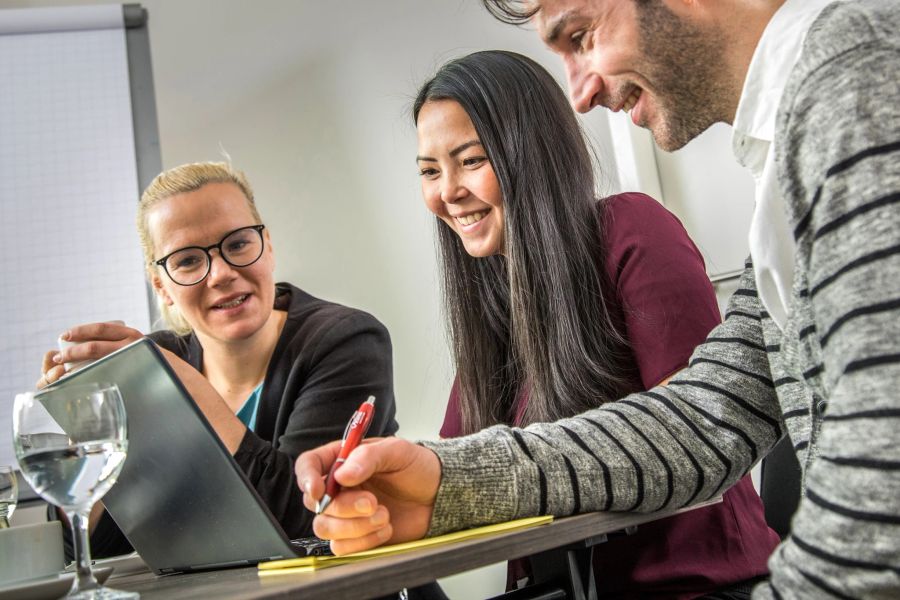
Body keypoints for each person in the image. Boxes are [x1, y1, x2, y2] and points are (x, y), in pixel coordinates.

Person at [296, 0, 900, 598]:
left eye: (582, 36)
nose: (580, 95)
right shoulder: (786, 182)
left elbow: (879, 494)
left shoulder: (860, 80)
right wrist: (446, 478)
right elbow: (703, 421)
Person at [415, 50, 778, 598]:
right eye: (428, 171)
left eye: (470, 161)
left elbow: (694, 431)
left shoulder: (630, 230)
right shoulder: (492, 296)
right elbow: (461, 462)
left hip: (698, 587)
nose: (447, 192)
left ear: (530, 155)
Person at [39, 161, 398, 556]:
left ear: (269, 246)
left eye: (238, 244)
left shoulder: (347, 341)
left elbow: (304, 522)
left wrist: (180, 392)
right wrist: (90, 448)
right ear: (162, 287)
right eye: (188, 260)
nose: (220, 273)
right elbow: (102, 550)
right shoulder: (160, 361)